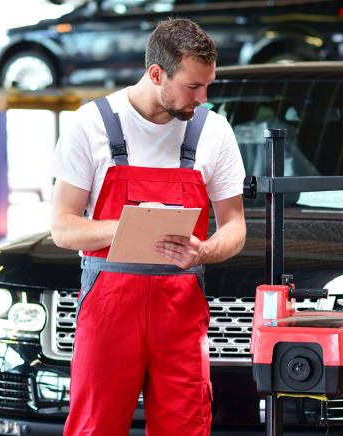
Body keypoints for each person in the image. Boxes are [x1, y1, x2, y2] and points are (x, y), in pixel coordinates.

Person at [50, 18, 246, 435]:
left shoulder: (213, 132)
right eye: (193, 87)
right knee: (93, 426)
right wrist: (126, 228)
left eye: (207, 85)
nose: (202, 97)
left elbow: (234, 226)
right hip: (108, 310)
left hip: (180, 312)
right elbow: (63, 229)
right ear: (156, 74)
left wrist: (204, 251)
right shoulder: (92, 125)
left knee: (187, 426)